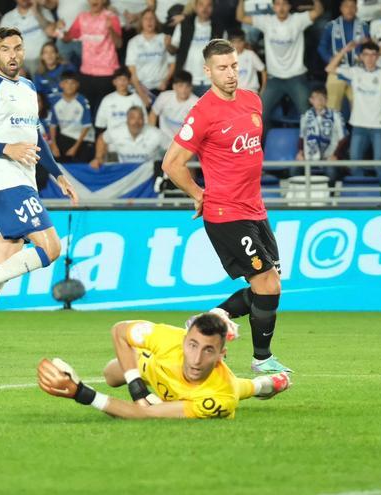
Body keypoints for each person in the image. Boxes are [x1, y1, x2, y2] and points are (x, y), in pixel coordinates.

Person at [161, 39, 292, 374]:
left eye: (234, 65)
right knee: (267, 282)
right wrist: (197, 192)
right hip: (225, 213)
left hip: (255, 209)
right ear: (208, 71)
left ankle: (209, 320)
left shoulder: (252, 100)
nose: (231, 73)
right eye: (222, 67)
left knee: (267, 285)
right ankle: (261, 358)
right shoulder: (203, 113)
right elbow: (172, 164)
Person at [0, 27, 79, 357]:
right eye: (5, 49)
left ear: (24, 52)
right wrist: (6, 147)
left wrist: (58, 175)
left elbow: (36, 137)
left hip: (22, 182)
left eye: (17, 48)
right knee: (50, 248)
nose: (12, 54)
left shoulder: (28, 88)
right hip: (6, 183)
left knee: (3, 268)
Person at [36, 313, 292, 419]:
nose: (196, 358)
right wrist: (136, 386)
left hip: (193, 394)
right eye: (192, 345)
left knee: (246, 387)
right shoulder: (168, 338)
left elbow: (144, 415)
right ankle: (136, 374)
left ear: (221, 355)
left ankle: (268, 383)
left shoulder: (220, 397)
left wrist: (83, 393)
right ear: (184, 340)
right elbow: (119, 330)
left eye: (208, 350)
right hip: (150, 367)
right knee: (111, 375)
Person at [237, 0, 322, 128]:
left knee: (308, 114)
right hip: (274, 78)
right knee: (258, 115)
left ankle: (310, 146)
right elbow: (241, 17)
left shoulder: (298, 20)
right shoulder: (267, 21)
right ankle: (259, 147)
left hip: (296, 76)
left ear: (289, 6)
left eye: (284, 4)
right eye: (278, 4)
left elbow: (318, 11)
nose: (281, 7)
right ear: (273, 7)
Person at [327, 40, 381, 188]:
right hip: (359, 125)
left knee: (379, 164)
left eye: (373, 55)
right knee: (355, 163)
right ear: (361, 57)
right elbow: (329, 68)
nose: (370, 58)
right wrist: (345, 50)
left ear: (377, 57)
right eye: (366, 55)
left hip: (378, 125)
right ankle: (361, 193)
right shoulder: (355, 72)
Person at [59, 0, 123, 116]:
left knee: (104, 112)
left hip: (107, 72)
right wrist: (61, 30)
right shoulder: (82, 17)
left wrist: (111, 29)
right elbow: (67, 38)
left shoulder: (111, 17)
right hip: (87, 72)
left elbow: (119, 44)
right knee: (87, 112)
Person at [169, 0, 229, 96]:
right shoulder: (184, 25)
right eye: (201, 5)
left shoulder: (219, 28)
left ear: (213, 8)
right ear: (196, 7)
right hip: (187, 82)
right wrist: (168, 45)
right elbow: (173, 49)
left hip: (210, 83)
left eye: (209, 5)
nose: (205, 9)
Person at [318, 0, 369, 111]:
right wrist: (330, 59)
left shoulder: (364, 26)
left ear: (357, 8)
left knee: (359, 109)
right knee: (332, 109)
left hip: (358, 71)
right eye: (346, 6)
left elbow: (370, 48)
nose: (349, 9)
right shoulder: (331, 26)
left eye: (352, 6)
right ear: (341, 8)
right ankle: (333, 128)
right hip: (337, 70)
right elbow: (321, 47)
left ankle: (356, 128)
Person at [126, 8, 175, 108]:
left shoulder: (164, 38)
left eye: (152, 18)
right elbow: (132, 72)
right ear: (141, 22)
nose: (149, 21)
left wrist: (166, 80)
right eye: (145, 19)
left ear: (156, 21)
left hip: (160, 89)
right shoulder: (133, 42)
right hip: (140, 89)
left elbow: (172, 64)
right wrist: (142, 95)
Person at [297, 87, 347, 183]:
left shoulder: (335, 115)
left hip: (328, 158)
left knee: (331, 172)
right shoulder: (306, 116)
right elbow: (302, 137)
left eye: (322, 98)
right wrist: (300, 153)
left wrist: (336, 155)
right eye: (316, 98)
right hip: (309, 158)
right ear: (311, 100)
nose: (319, 101)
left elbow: (344, 138)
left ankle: (331, 197)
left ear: (326, 100)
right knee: (294, 170)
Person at [90, 106, 165, 168]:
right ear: (127, 120)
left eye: (140, 118)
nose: (136, 122)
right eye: (132, 118)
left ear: (144, 120)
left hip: (149, 176)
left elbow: (171, 147)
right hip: (125, 174)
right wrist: (98, 158)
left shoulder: (156, 133)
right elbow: (102, 139)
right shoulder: (117, 131)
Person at [48, 71, 96, 161]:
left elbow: (86, 126)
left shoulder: (82, 101)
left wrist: (75, 148)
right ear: (61, 85)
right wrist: (53, 145)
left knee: (81, 160)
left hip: (83, 139)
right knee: (56, 158)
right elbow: (53, 125)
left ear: (77, 85)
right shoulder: (55, 101)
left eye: (73, 83)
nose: (69, 86)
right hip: (66, 136)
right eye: (66, 82)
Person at [0, 0, 56, 74]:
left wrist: (36, 13)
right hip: (21, 61)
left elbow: (52, 33)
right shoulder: (7, 18)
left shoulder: (43, 11)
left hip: (44, 59)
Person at [149, 70, 199, 142]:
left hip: (184, 143)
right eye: (180, 86)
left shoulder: (197, 104)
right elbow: (153, 115)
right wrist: (152, 136)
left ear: (191, 87)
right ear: (174, 86)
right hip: (163, 139)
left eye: (187, 86)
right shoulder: (164, 97)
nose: (184, 90)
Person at [95, 67, 148, 133]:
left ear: (129, 82)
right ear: (114, 82)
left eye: (125, 79)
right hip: (113, 139)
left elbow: (145, 122)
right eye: (119, 79)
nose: (122, 82)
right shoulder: (107, 100)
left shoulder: (136, 99)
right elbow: (100, 124)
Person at [229, 29, 266, 94]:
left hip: (251, 92)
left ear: (244, 42)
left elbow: (263, 70)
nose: (237, 45)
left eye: (240, 41)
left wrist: (263, 90)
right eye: (234, 42)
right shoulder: (226, 58)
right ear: (229, 43)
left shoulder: (250, 55)